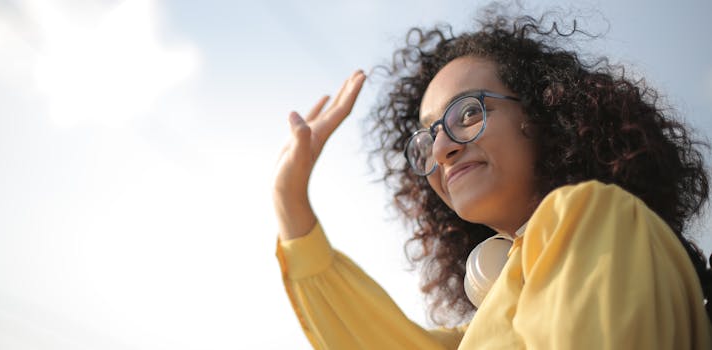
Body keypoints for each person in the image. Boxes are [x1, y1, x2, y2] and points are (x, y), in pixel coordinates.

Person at [273, 8, 712, 349]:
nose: (442, 149)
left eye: (467, 112)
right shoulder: (477, 332)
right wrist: (289, 200)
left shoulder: (596, 213)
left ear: (542, 115)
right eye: (426, 139)